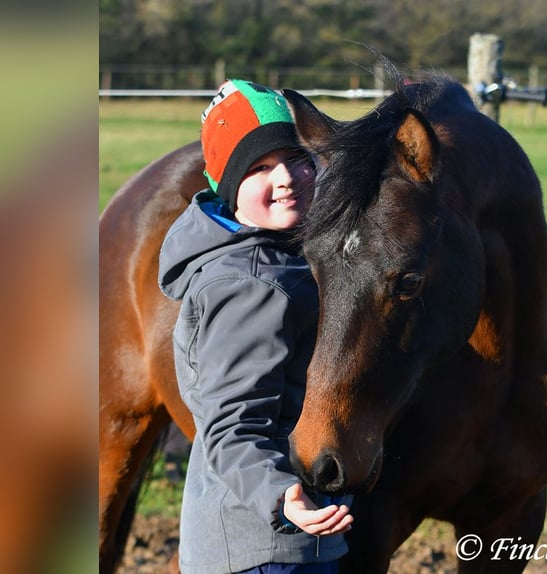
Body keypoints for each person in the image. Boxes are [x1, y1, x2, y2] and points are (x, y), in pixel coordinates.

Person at [158, 79, 353, 574]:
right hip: (266, 543)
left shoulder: (283, 257)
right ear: (228, 187)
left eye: (295, 159)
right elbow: (232, 424)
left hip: (279, 536)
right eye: (259, 168)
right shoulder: (250, 285)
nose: (285, 177)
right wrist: (281, 496)